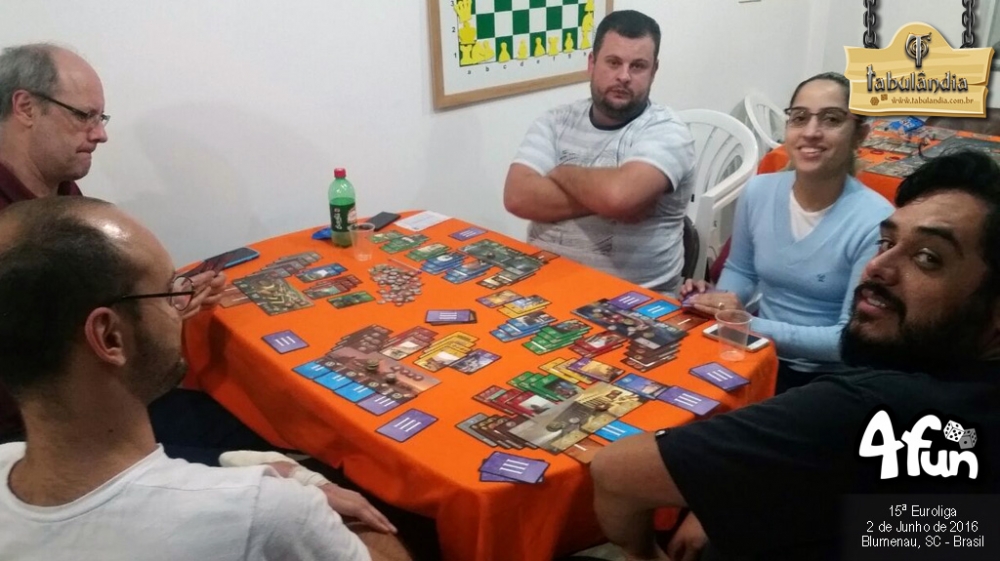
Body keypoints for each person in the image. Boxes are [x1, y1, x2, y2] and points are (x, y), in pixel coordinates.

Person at [590, 150, 1000, 560]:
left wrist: (650, 551)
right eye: (886, 243)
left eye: (928, 258)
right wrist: (731, 497)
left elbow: (615, 472)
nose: (878, 266)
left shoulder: (857, 408)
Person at [0, 196, 412, 560]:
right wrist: (312, 489)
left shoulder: (6, 458)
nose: (181, 304)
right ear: (110, 337)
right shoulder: (269, 512)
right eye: (168, 291)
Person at [0, 43, 234, 454]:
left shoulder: (63, 193)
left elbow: (82, 306)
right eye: (83, 116)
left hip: (107, 399)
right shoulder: (13, 228)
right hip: (41, 441)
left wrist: (165, 300)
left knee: (241, 420)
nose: (100, 134)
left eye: (100, 118)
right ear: (26, 107)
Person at [681, 72, 894, 393]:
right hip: (757, 353)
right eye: (799, 118)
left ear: (859, 135)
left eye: (831, 119)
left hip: (827, 378)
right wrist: (720, 303)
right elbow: (741, 269)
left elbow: (849, 339)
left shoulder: (875, 221)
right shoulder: (758, 191)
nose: (811, 132)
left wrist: (745, 323)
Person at [503, 10, 695, 294]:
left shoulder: (668, 131)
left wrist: (560, 173)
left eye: (638, 66)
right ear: (592, 64)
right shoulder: (555, 121)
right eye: (613, 62)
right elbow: (517, 197)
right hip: (543, 288)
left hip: (635, 301)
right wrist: (606, 200)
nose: (624, 76)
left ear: (654, 71)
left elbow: (618, 197)